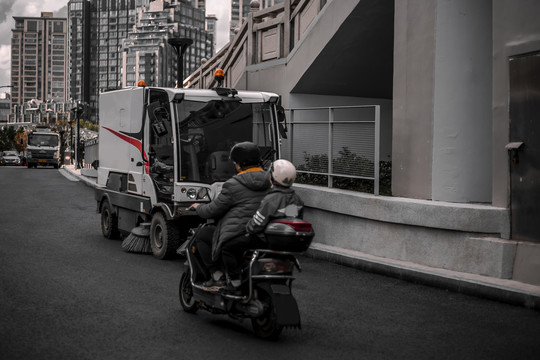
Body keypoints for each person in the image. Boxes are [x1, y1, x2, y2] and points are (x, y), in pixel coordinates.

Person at [188, 142, 271, 291]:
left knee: (202, 235)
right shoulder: (271, 181)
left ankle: (217, 275)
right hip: (265, 234)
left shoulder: (233, 185)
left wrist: (198, 207)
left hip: (239, 234)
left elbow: (212, 210)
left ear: (239, 165)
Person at [246, 159, 304, 240]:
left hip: (269, 241)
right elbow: (294, 219)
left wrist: (248, 227)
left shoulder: (270, 200)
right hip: (290, 241)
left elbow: (255, 226)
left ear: (274, 176)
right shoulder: (297, 199)